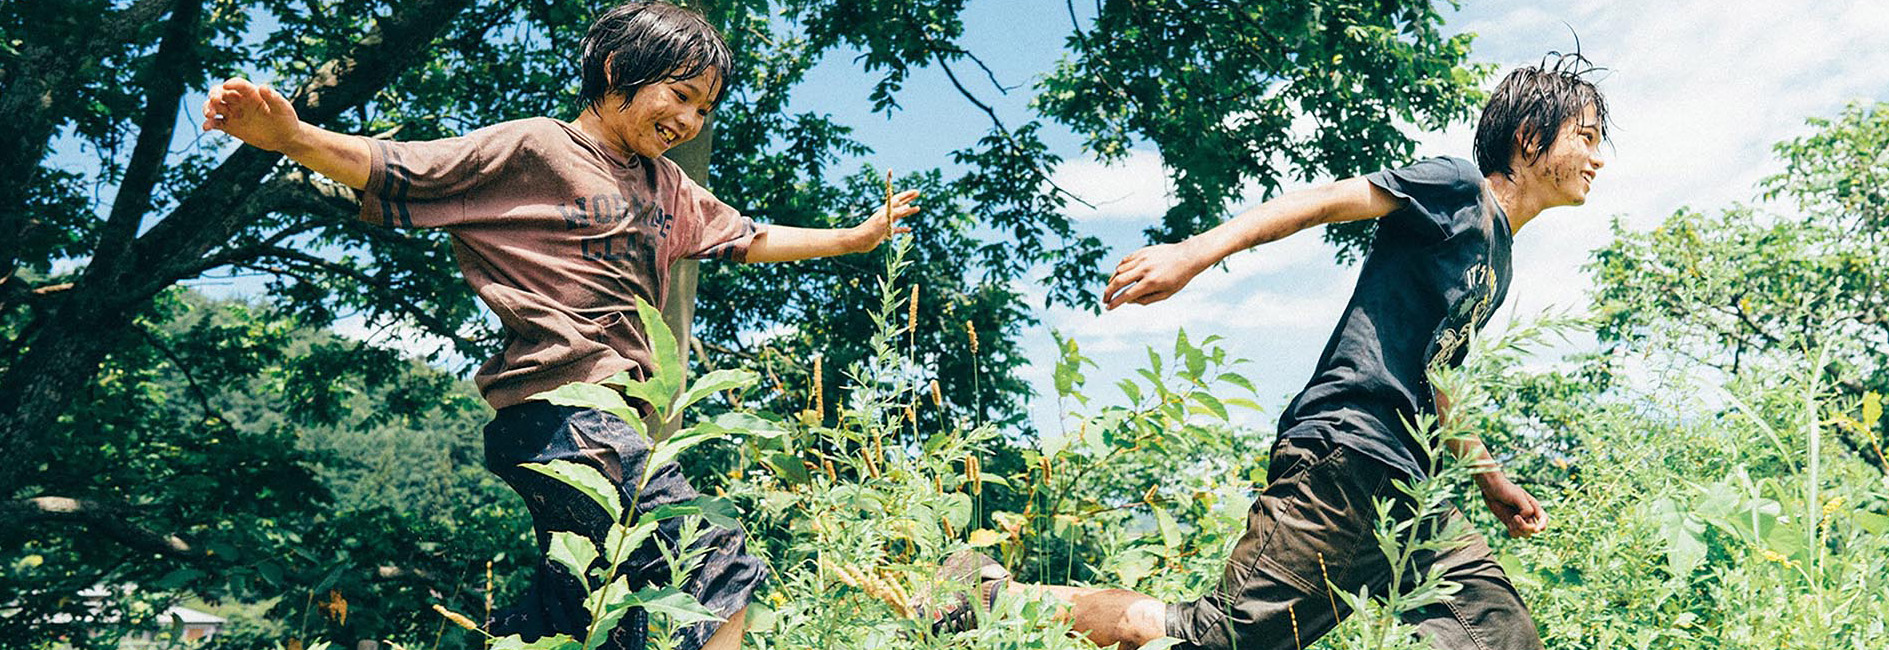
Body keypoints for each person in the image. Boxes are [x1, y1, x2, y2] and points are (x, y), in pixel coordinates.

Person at [202, 2, 920, 648]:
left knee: (593, 617)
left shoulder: (666, 184)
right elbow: (399, 167)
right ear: (616, 72)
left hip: (614, 424)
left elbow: (748, 237)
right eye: (680, 95)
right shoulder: (537, 149)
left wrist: (853, 239)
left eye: (705, 109)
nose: (690, 121)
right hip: (564, 413)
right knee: (711, 558)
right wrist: (292, 136)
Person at [922, 55, 1609, 650]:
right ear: (1528, 137)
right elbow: (1328, 202)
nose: (1598, 158)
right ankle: (987, 597)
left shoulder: (1499, 258)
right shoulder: (1456, 190)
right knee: (1220, 637)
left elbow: (1434, 378)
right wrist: (1192, 252)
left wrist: (1490, 481)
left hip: (1410, 486)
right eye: (1585, 137)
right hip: (1346, 457)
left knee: (1498, 635)